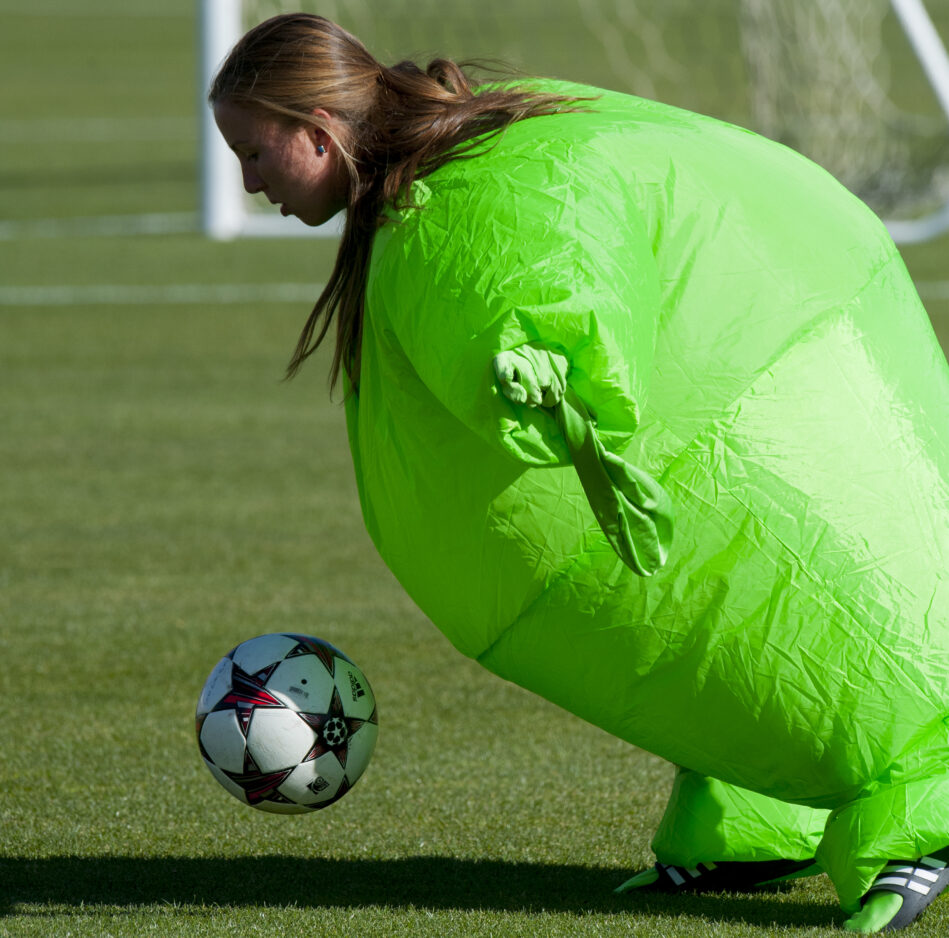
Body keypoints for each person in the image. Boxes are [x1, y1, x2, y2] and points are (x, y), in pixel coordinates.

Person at [209, 13, 949, 933]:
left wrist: (539, 357)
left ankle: (923, 782)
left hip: (760, 361)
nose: (248, 181)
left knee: (806, 592)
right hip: (765, 320)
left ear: (318, 131)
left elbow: (534, 254)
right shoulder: (424, 199)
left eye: (253, 151)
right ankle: (765, 803)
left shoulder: (463, 193)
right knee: (729, 616)